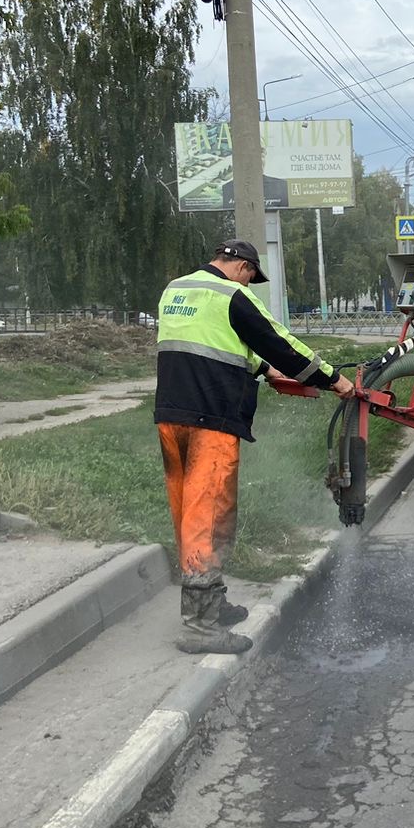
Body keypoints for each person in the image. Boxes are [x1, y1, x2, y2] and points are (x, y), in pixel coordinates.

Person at [155, 239, 355, 654]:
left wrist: (264, 371)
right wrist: (333, 378)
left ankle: (212, 602)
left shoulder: (176, 289)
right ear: (243, 267)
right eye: (251, 276)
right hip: (212, 418)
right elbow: (279, 341)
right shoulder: (232, 295)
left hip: (172, 415)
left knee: (188, 513)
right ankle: (200, 627)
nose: (250, 283)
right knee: (207, 517)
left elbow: (211, 344)